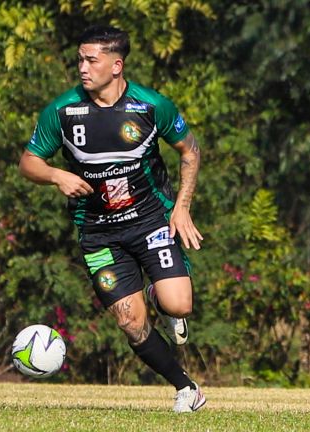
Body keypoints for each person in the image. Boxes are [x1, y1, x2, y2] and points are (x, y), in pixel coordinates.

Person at [19, 25, 205, 413]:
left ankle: (163, 297)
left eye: (92, 60)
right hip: (99, 235)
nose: (83, 68)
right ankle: (186, 388)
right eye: (80, 60)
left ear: (116, 65)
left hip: (152, 222)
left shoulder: (152, 106)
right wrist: (56, 174)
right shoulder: (63, 111)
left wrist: (182, 206)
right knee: (129, 321)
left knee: (179, 305)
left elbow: (190, 151)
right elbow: (29, 161)